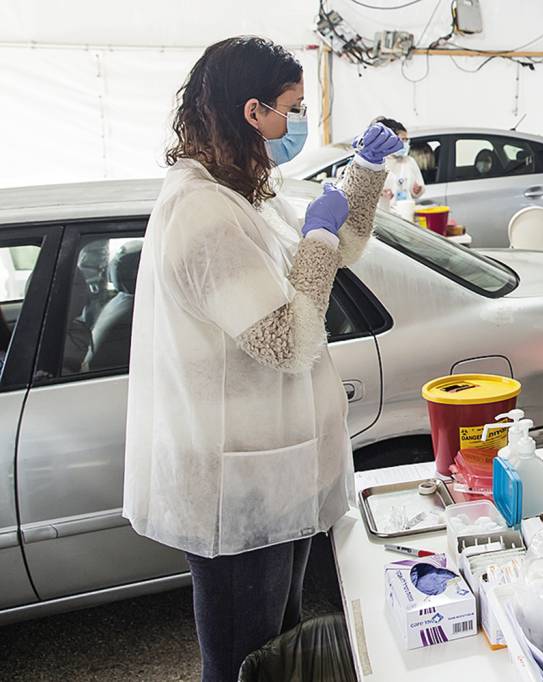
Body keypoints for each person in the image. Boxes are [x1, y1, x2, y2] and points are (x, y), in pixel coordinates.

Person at [122, 36, 401, 682]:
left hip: (277, 474)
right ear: (253, 112)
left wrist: (362, 173)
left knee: (280, 650)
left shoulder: (247, 192)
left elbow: (334, 255)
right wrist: (322, 236)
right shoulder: (203, 216)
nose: (297, 122)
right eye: (292, 108)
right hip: (237, 486)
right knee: (244, 662)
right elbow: (288, 340)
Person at [373, 116, 425, 211]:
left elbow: (419, 189)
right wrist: (380, 193)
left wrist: (417, 190)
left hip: (406, 212)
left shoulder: (409, 161)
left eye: (406, 140)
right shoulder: (376, 163)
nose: (405, 144)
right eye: (402, 140)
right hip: (385, 215)